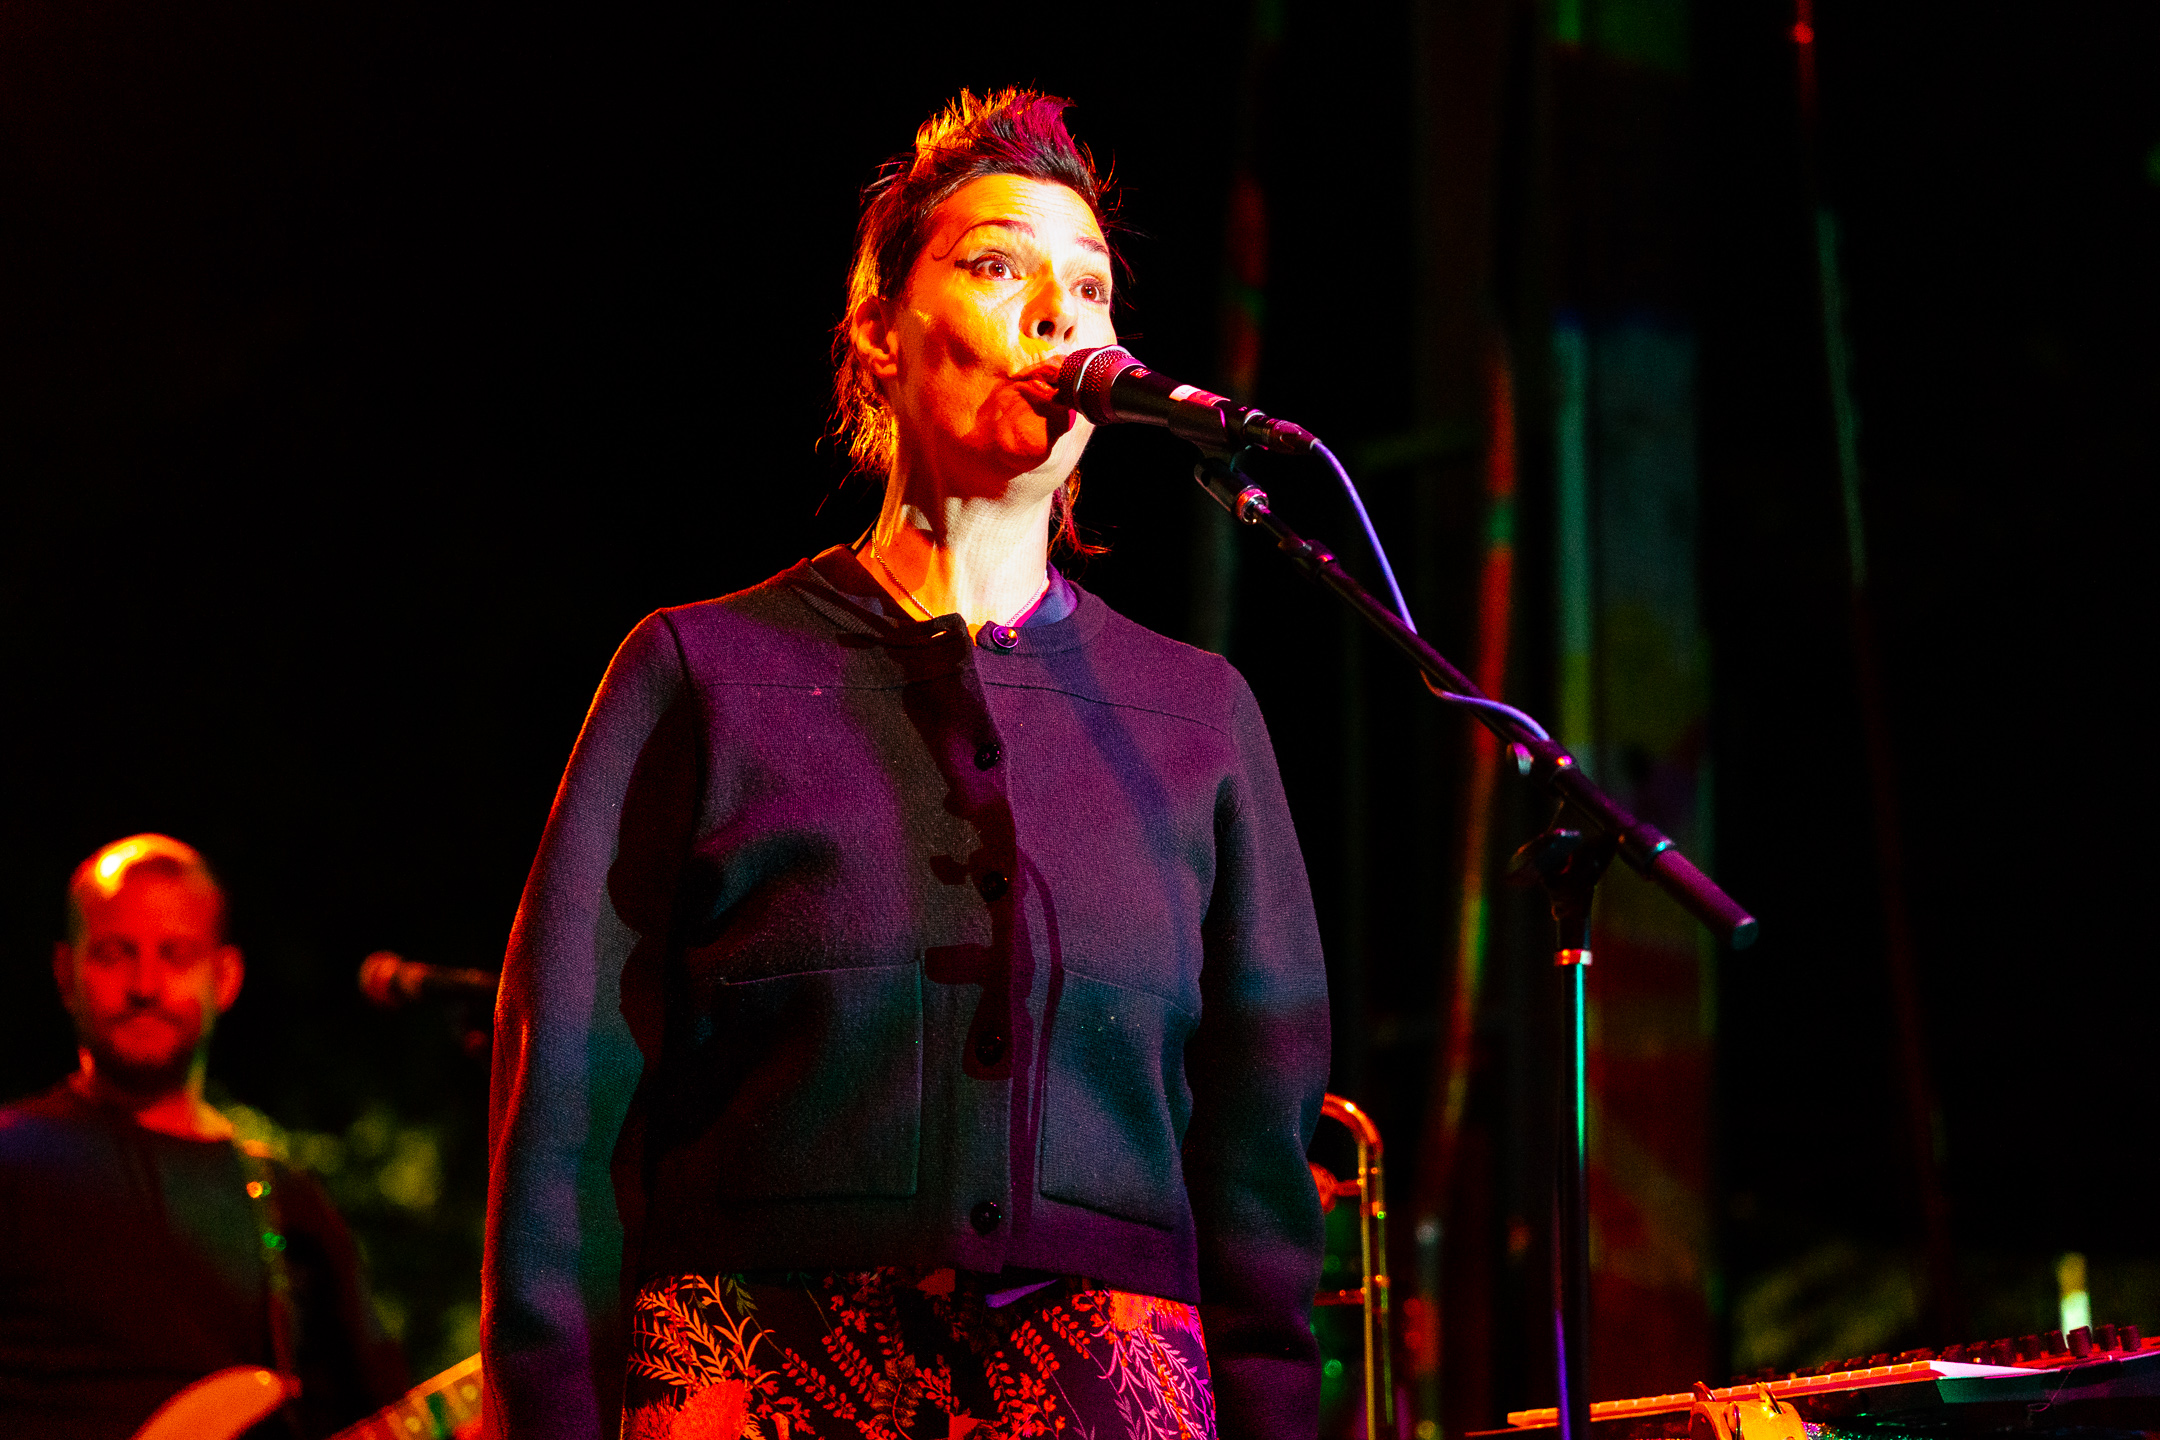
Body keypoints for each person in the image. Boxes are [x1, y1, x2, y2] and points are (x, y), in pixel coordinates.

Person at [482, 89, 1329, 1440]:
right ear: (877, 336)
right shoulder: (700, 675)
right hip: (756, 1383)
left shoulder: (1198, 718)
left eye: (1091, 289)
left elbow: (1259, 1178)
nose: (1058, 315)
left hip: (1110, 1397)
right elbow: (567, 1122)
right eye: (998, 265)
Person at [0, 834, 407, 1438]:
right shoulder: (12, 1157)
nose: (145, 984)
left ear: (226, 976)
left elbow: (378, 1410)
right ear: (65, 973)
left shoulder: (286, 1200)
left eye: (177, 954)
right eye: (113, 953)